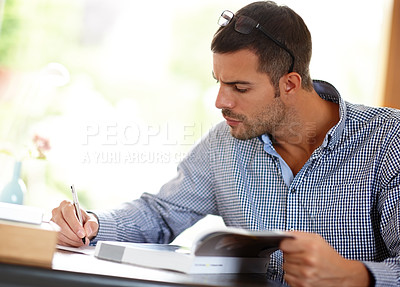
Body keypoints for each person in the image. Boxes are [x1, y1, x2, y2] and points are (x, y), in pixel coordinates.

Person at [51, 1, 400, 286]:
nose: (220, 101)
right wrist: (92, 223)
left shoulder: (387, 141)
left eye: (240, 87)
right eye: (219, 81)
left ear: (290, 84)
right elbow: (160, 214)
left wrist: (354, 276)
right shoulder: (226, 142)